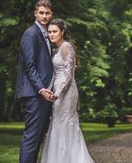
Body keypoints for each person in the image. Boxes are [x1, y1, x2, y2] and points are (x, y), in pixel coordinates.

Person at [39, 19, 95, 163]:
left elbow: (68, 75)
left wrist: (58, 93)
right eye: (49, 32)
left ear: (62, 32)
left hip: (66, 92)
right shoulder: (57, 48)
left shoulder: (66, 47)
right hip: (57, 91)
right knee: (57, 124)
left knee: (65, 125)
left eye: (54, 31)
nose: (51, 34)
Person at [16, 0, 57, 163]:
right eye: (41, 13)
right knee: (31, 139)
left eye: (47, 13)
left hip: (44, 93)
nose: (44, 16)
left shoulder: (46, 34)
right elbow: (29, 67)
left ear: (51, 14)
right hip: (35, 94)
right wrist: (41, 89)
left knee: (39, 137)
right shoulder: (31, 33)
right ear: (35, 14)